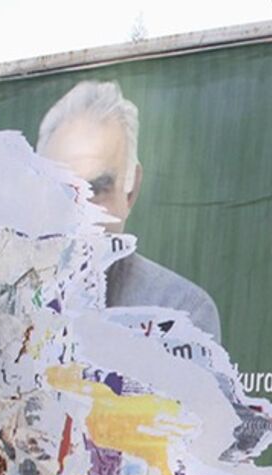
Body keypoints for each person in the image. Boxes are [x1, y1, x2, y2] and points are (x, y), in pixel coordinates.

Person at [36, 80, 222, 339]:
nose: (80, 215)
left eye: (97, 190)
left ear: (131, 191)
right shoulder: (0, 304)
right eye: (63, 191)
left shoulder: (181, 313)